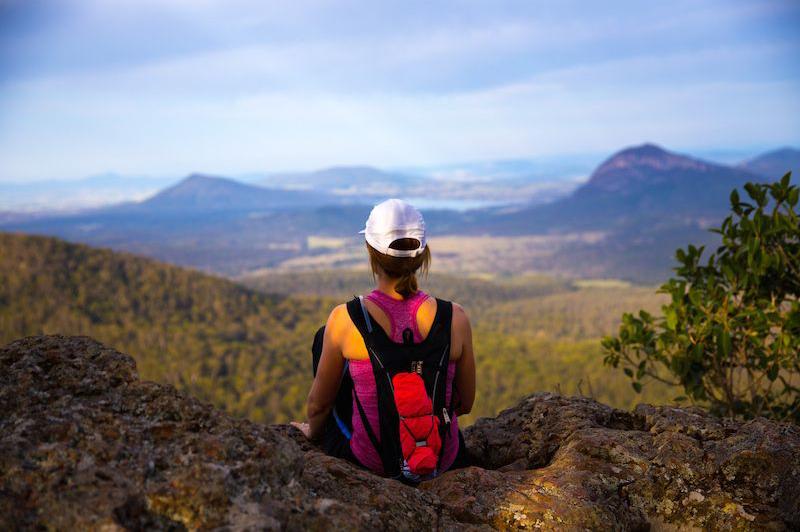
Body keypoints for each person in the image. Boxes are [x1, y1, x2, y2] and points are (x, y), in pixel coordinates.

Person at [291, 198, 476, 481]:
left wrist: (313, 434)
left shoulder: (346, 319)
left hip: (372, 464)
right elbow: (465, 404)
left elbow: (319, 406)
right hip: (441, 460)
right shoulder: (455, 318)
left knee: (323, 338)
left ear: (371, 252)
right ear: (422, 254)